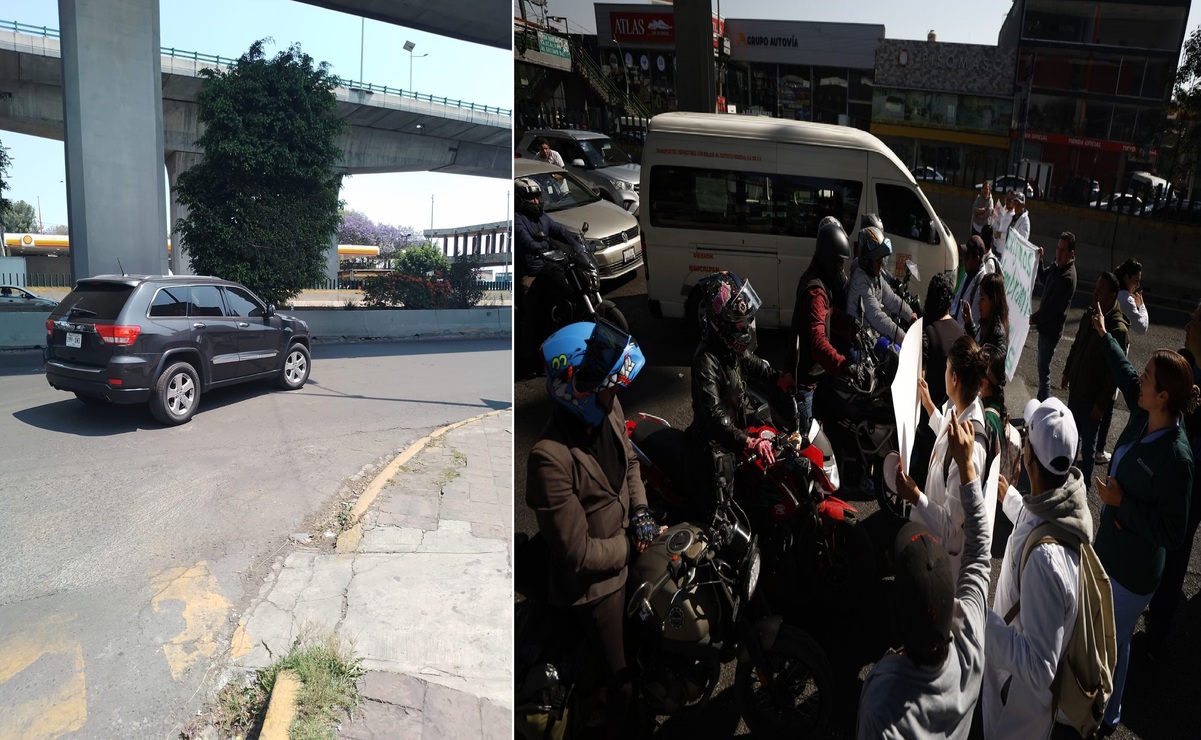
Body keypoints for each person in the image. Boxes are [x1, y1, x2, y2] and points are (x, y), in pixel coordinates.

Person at [525, 320, 658, 740]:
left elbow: (632, 465)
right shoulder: (548, 459)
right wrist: (630, 547)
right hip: (595, 586)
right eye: (605, 385)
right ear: (576, 390)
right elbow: (577, 554)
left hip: (629, 540)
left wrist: (640, 513)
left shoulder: (608, 408)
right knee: (621, 684)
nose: (614, 391)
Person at [1090, 306, 1197, 734]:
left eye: (1149, 377)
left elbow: (1174, 532)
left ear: (1164, 397)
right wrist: (1103, 335)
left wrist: (1121, 502)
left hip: (1132, 572)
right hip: (1111, 551)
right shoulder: (1144, 410)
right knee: (1103, 637)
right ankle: (1095, 699)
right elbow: (1124, 372)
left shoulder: (1177, 458)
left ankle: (1108, 715)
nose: (1141, 380)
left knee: (1115, 644)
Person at [857, 417, 992, 739]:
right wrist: (968, 468)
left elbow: (978, 551)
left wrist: (964, 469)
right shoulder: (972, 641)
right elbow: (980, 550)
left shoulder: (881, 708)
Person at [983, 396, 1091, 740]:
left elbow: (1040, 668)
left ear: (1028, 457)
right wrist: (1011, 500)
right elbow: (1035, 523)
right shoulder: (1063, 500)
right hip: (1012, 685)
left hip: (1015, 701)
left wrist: (979, 619)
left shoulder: (1045, 563)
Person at [686, 271, 792, 517]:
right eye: (739, 322)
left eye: (746, 320)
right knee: (723, 524)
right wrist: (749, 441)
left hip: (734, 437)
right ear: (722, 323)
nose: (745, 326)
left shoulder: (730, 348)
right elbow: (714, 416)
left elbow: (754, 364)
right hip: (712, 451)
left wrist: (780, 378)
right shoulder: (706, 360)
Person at [1142, 300, 1201, 660]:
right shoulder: (1181, 361)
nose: (1186, 325)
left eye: (1193, 321)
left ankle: (1158, 631)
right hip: (1165, 468)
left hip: (1192, 481)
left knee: (1177, 548)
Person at [906, 335, 992, 580]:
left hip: (942, 563)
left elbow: (950, 530)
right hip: (931, 543)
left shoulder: (971, 450)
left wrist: (914, 496)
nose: (943, 373)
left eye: (946, 369)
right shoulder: (963, 408)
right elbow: (947, 431)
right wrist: (930, 406)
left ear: (954, 378)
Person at [790, 218, 864, 434]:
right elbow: (818, 341)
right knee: (807, 446)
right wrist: (845, 366)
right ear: (830, 259)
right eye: (840, 263)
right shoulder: (815, 291)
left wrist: (852, 324)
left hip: (818, 378)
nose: (842, 269)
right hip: (805, 384)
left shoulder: (819, 280)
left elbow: (829, 312)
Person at [1062, 272, 1130, 488]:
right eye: (1095, 288)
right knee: (1071, 440)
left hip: (1092, 401)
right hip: (1077, 389)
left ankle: (1084, 487)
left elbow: (1114, 373)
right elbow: (1077, 345)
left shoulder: (1117, 330)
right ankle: (1066, 483)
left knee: (1088, 449)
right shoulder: (1089, 315)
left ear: (1112, 296)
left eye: (1099, 291)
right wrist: (1067, 371)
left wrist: (1101, 404)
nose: (1094, 293)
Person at [514, 177, 580, 371]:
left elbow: (558, 229)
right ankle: (527, 360)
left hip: (547, 265)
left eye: (537, 196)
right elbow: (524, 240)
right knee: (532, 317)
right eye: (531, 198)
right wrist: (539, 248)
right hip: (530, 273)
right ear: (520, 200)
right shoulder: (518, 218)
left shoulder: (542, 217)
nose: (536, 201)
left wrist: (575, 240)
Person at [913, 272, 966, 488]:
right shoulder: (960, 331)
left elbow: (920, 376)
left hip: (928, 414)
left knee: (924, 468)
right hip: (954, 415)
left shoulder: (927, 331)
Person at [1095, 258, 1151, 465]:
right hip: (1115, 351)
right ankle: (1098, 449)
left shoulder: (1114, 291)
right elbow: (1142, 327)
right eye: (1136, 281)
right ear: (1127, 278)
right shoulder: (1127, 299)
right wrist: (1142, 305)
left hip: (1101, 349)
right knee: (1109, 400)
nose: (1137, 286)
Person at [846, 224, 915, 345]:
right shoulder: (860, 280)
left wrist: (910, 315)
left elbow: (891, 299)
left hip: (871, 336)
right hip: (859, 342)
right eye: (878, 260)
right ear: (867, 260)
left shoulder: (874, 275)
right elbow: (876, 317)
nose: (881, 264)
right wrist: (905, 339)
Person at [1030, 232, 1077, 402]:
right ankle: (1040, 407)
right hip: (1044, 327)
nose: (1058, 253)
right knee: (1042, 370)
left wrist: (1032, 319)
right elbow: (1043, 277)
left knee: (1044, 374)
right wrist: (1040, 260)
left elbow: (1051, 309)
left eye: (1062, 250)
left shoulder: (1068, 277)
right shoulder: (1057, 266)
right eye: (1057, 248)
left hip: (1050, 331)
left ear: (1071, 254)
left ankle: (1046, 408)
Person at [962, 272, 1009, 359]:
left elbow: (997, 363)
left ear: (993, 301)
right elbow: (977, 342)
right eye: (979, 297)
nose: (978, 302)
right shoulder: (986, 322)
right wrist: (969, 322)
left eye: (982, 298)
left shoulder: (997, 333)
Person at [950, 235, 988, 325]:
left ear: (976, 259)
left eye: (967, 256)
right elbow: (957, 299)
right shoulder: (967, 274)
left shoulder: (982, 283)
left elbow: (976, 318)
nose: (964, 259)